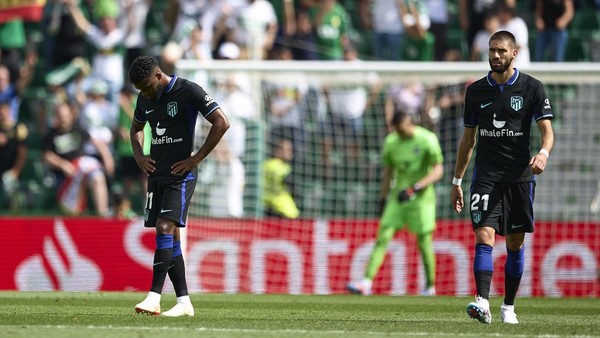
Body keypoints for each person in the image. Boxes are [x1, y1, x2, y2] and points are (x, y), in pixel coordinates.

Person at [450, 30, 554, 324]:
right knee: (484, 235)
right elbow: (468, 140)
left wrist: (543, 153)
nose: (495, 55)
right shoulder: (476, 91)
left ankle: (508, 307)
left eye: (501, 51)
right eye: (492, 50)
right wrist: (456, 181)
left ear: (514, 53)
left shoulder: (532, 88)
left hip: (520, 177)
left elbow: (547, 132)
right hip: (485, 177)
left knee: (515, 244)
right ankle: (482, 302)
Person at [129, 55, 229, 317]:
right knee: (170, 237)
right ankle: (184, 302)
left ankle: (154, 297)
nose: (145, 93)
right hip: (157, 175)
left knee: (164, 227)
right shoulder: (145, 98)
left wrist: (196, 158)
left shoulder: (188, 91)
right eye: (141, 90)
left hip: (180, 176)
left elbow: (222, 122)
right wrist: (139, 156)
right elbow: (135, 129)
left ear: (158, 76)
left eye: (147, 87)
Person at [347, 109, 444, 296]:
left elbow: (438, 170)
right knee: (382, 237)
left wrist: (416, 187)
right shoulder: (391, 142)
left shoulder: (427, 139)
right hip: (398, 198)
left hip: (421, 199)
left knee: (424, 243)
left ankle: (430, 287)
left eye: (400, 130)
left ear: (409, 124)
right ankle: (366, 282)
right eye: (396, 130)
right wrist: (382, 198)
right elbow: (388, 173)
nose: (398, 133)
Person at [42, 102, 114, 217]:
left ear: (71, 116)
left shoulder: (78, 129)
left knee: (97, 177)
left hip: (82, 168)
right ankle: (78, 214)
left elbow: (97, 142)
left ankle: (103, 216)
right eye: (60, 116)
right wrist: (63, 164)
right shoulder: (51, 134)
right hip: (64, 175)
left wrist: (107, 157)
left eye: (65, 116)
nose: (64, 119)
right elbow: (47, 156)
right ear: (56, 117)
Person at [263, 137, 299, 219]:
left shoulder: (265, 164)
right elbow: (288, 180)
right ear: (278, 150)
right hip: (282, 210)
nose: (290, 152)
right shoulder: (281, 167)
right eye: (287, 149)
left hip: (267, 207)